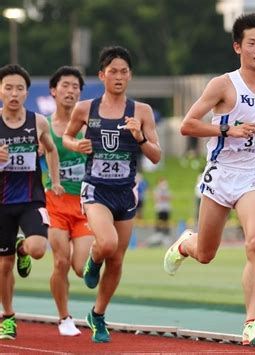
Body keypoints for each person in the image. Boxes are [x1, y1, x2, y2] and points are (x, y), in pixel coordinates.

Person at [163, 13, 255, 347]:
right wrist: (227, 128)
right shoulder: (223, 85)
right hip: (220, 174)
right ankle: (184, 244)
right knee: (206, 253)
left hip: (254, 175)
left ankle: (251, 323)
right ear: (238, 47)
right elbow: (187, 125)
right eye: (252, 44)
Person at [63, 46, 161, 343]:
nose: (118, 76)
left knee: (117, 260)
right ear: (101, 75)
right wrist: (75, 145)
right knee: (106, 243)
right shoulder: (86, 108)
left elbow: (156, 155)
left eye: (124, 71)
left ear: (130, 75)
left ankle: (98, 315)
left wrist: (140, 137)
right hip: (95, 189)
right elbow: (67, 136)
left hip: (125, 192)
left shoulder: (140, 111)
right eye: (113, 71)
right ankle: (93, 261)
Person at [0, 64, 64, 340]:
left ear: (27, 92)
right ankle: (8, 317)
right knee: (3, 265)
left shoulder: (38, 121)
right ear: (0, 91)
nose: (14, 93)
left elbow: (51, 149)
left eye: (19, 88)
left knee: (38, 248)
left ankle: (23, 250)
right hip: (2, 204)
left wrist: (55, 180)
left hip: (31, 199)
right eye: (8, 88)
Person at [46, 66, 94, 336]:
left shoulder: (90, 127)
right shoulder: (43, 126)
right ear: (53, 91)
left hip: (85, 203)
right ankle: (64, 317)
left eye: (75, 86)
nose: (70, 90)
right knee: (61, 262)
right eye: (65, 85)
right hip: (54, 202)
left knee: (79, 268)